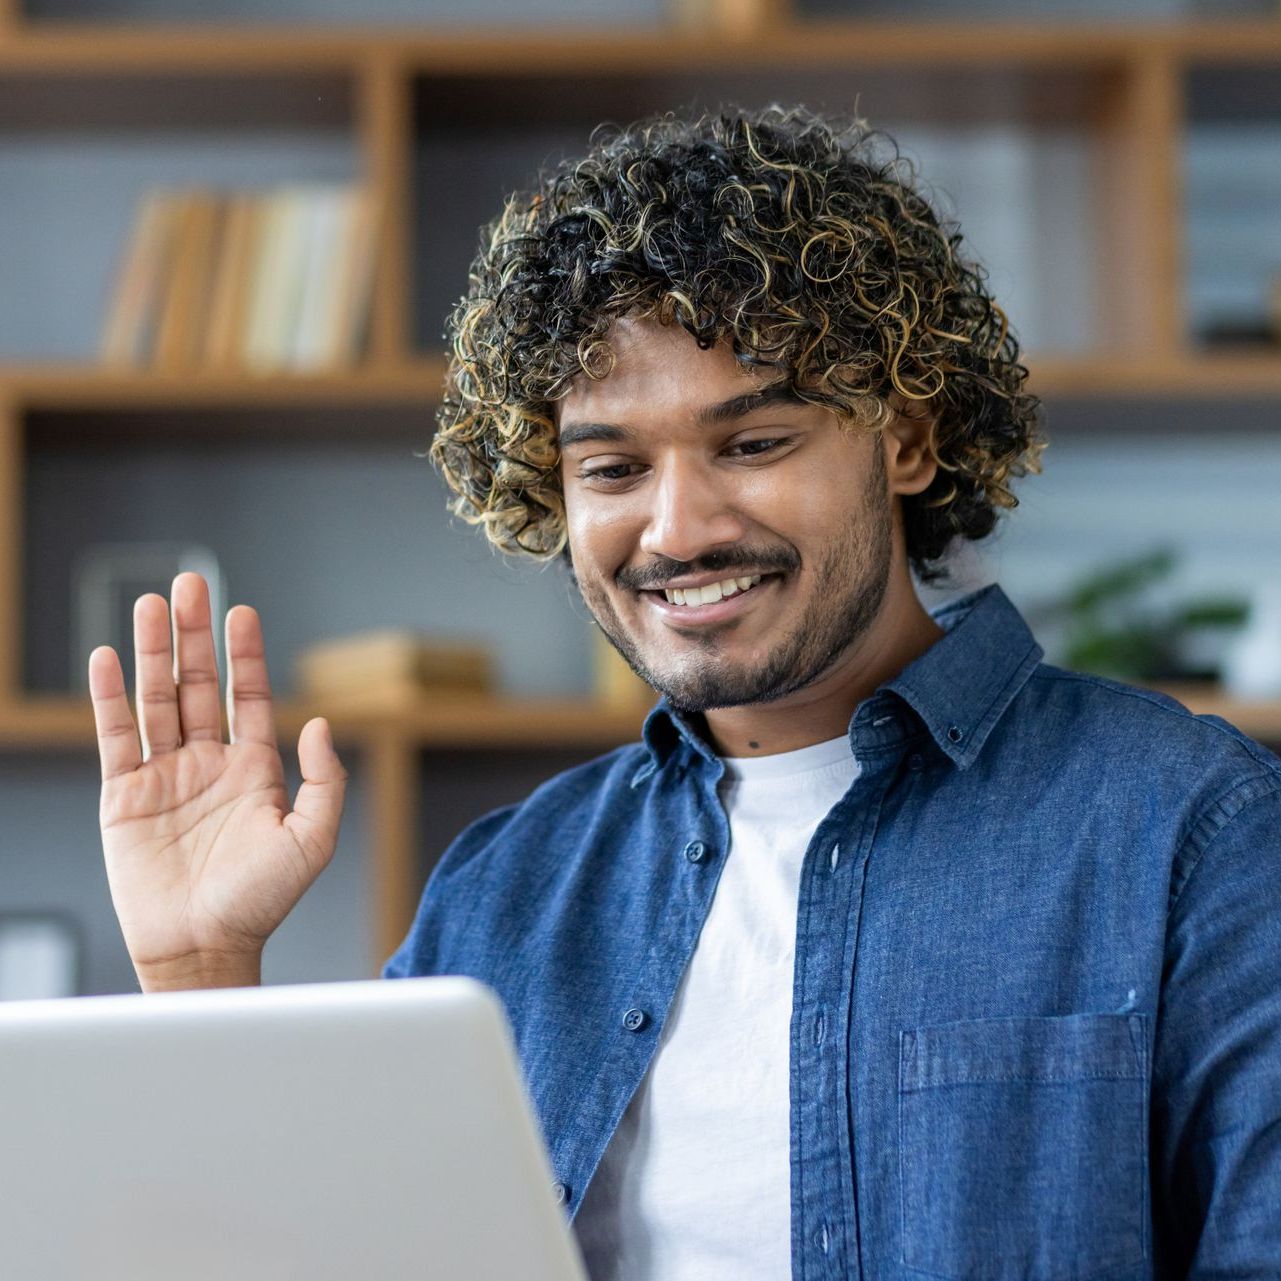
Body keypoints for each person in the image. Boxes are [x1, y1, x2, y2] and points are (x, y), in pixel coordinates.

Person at [89, 106, 1280, 1278]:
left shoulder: (1192, 832)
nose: (679, 529)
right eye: (612, 468)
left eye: (753, 443)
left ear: (907, 439)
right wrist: (201, 977)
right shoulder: (508, 891)